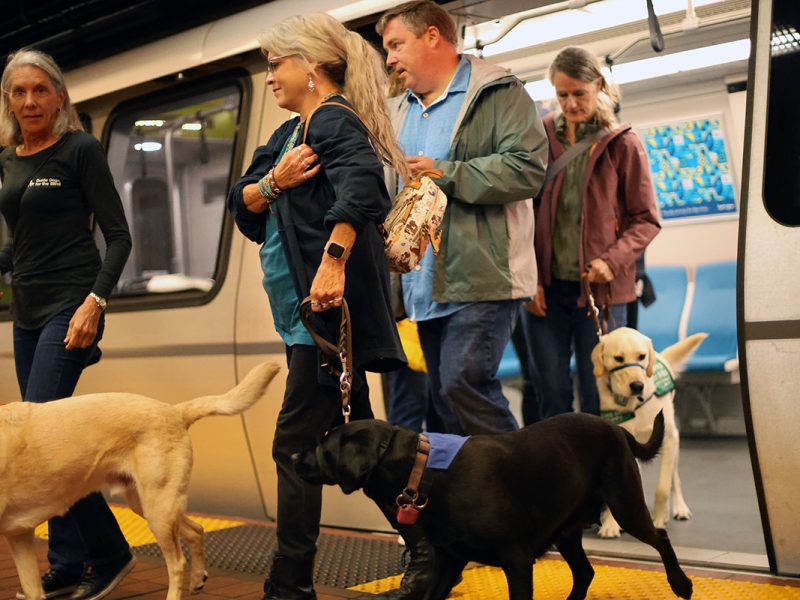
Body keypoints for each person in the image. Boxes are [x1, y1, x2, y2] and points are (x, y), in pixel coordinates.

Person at [227, 14, 407, 600]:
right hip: (303, 319)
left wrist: (333, 260)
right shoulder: (287, 137)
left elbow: (362, 188)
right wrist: (273, 183)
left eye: (277, 64)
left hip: (326, 320)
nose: (270, 75)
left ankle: (290, 584)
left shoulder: (331, 120)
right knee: (364, 442)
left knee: (293, 447)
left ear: (310, 66)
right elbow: (244, 203)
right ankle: (434, 543)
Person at [376, 2, 547, 597]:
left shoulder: (497, 92)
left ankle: (534, 502)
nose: (390, 60)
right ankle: (472, 529)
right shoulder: (398, 112)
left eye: (396, 46)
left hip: (484, 274)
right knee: (445, 417)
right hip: (423, 283)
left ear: (433, 38)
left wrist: (447, 171)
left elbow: (528, 168)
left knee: (462, 384)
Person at [0, 49, 134, 600]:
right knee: (49, 447)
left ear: (59, 96)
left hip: (72, 306)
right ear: (8, 101)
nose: (29, 101)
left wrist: (94, 302)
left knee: (44, 443)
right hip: (26, 311)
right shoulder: (9, 158)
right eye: (18, 92)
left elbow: (119, 235)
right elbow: (20, 245)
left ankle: (109, 554)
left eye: (39, 90)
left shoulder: (79, 149)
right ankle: (69, 559)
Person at [521, 46, 661, 419]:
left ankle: (603, 475)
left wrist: (611, 263)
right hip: (545, 292)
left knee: (601, 395)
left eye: (578, 93)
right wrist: (528, 277)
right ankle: (563, 474)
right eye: (562, 94)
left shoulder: (622, 143)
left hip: (602, 293)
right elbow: (521, 214)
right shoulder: (538, 138)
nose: (570, 103)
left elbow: (646, 219)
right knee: (549, 392)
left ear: (597, 85)